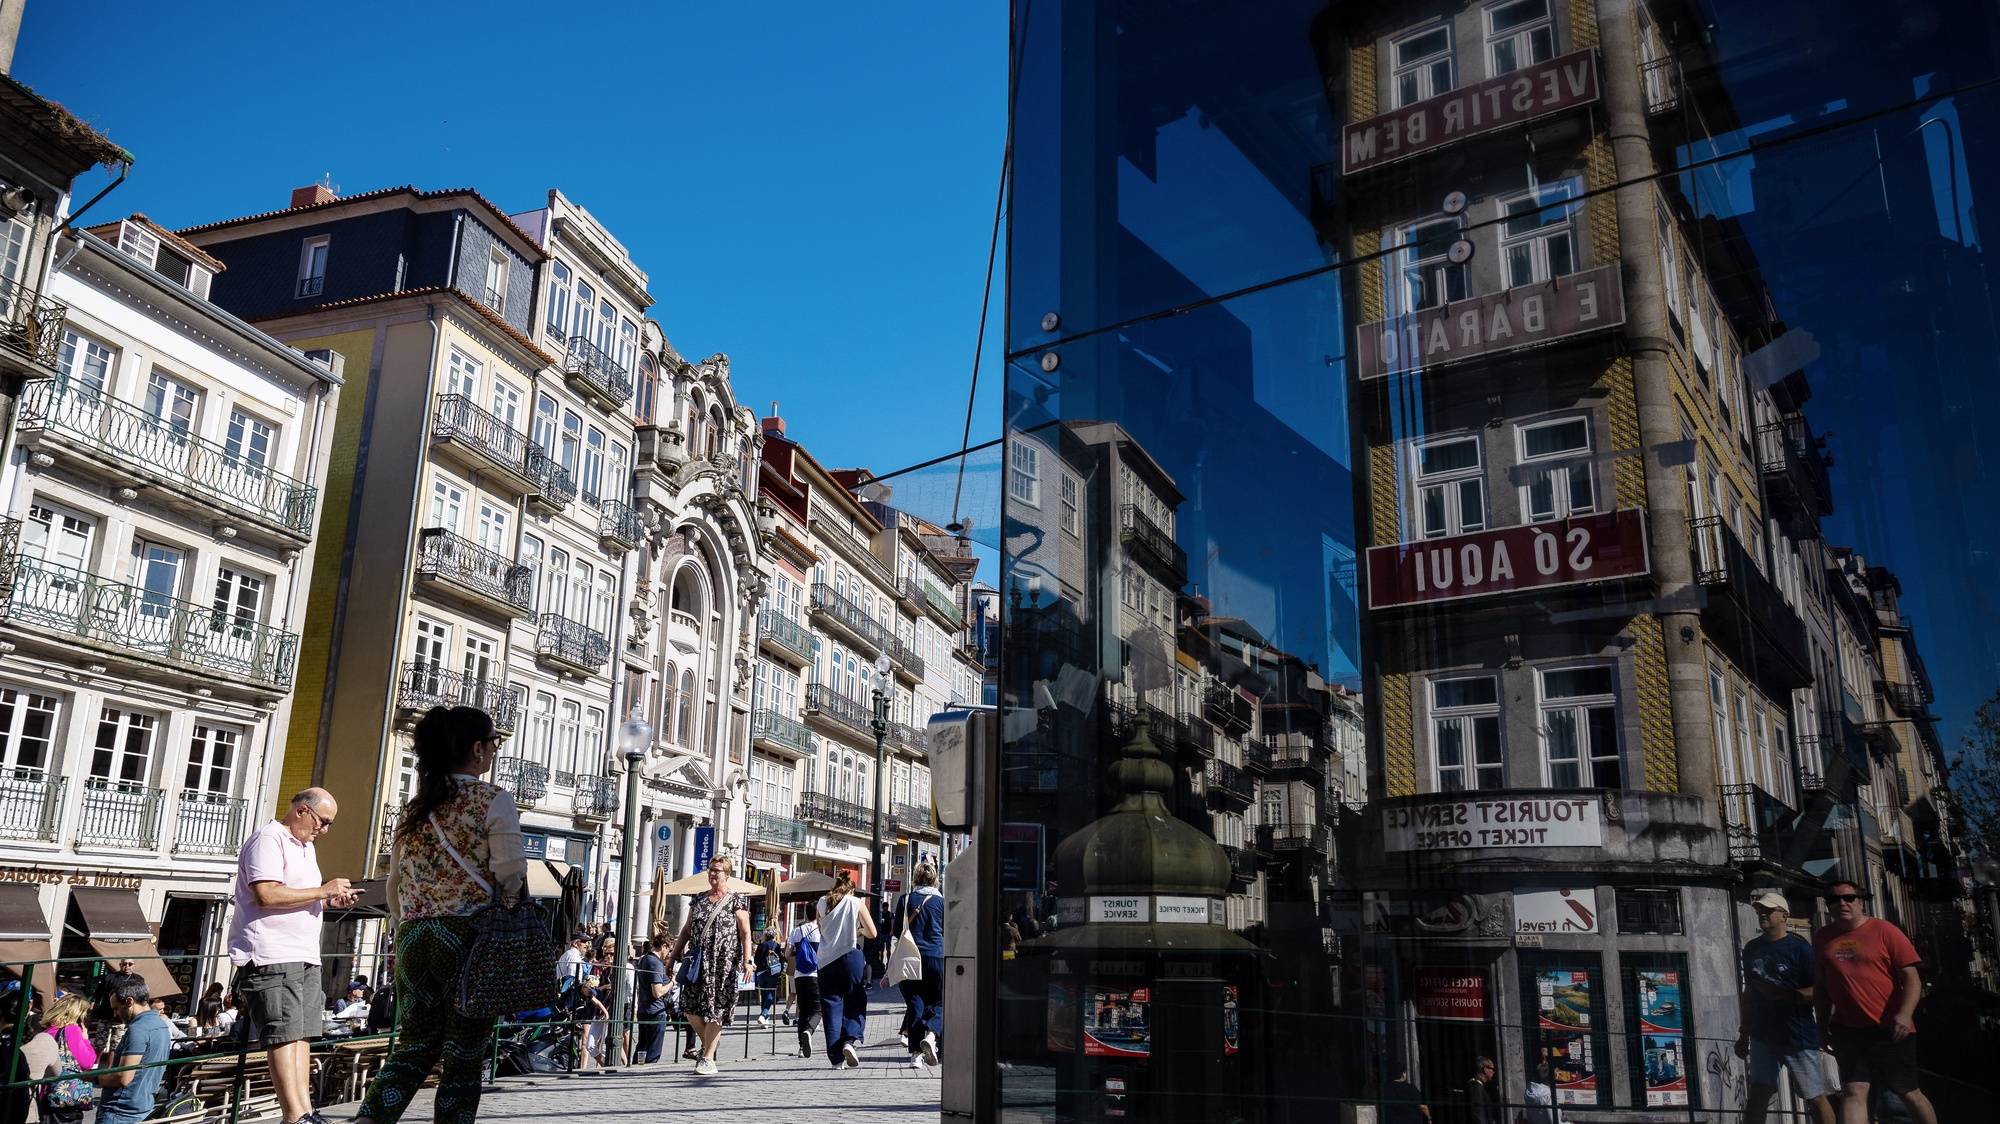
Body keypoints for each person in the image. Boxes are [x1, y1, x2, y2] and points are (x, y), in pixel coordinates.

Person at [352, 706, 526, 1124]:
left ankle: (370, 1118)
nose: (495, 751)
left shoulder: (417, 807)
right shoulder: (491, 800)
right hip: (468, 939)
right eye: (494, 743)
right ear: (477, 748)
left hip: (414, 935)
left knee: (413, 1044)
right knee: (464, 1051)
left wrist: (403, 924)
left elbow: (394, 881)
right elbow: (510, 871)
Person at [228, 786, 357, 1124]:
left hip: (303, 952)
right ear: (301, 810)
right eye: (322, 821)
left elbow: (299, 896)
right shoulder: (268, 840)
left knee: (301, 1034)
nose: (324, 830)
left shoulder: (305, 847)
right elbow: (267, 895)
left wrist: (329, 901)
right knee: (284, 1034)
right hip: (271, 952)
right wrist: (322, 890)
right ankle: (293, 1115)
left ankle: (305, 1111)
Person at [1813, 880, 1937, 1124]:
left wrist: (1905, 1013)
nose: (1842, 903)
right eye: (1834, 899)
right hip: (1847, 1029)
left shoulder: (1884, 930)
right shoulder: (1822, 938)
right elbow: (1822, 986)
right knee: (1853, 1091)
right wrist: (1821, 1026)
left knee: (1908, 1091)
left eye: (1848, 898)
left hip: (1890, 1028)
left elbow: (1911, 977)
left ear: (1860, 902)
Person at [1736, 890, 1835, 1124]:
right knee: (1759, 1093)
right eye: (1761, 910)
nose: (1763, 914)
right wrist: (1744, 1034)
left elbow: (1819, 991)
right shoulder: (1752, 949)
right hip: (1763, 1034)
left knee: (1814, 1097)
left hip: (1797, 1034)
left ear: (1784, 915)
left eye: (1769, 910)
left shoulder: (1800, 948)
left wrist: (1785, 995)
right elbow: (1749, 992)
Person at [667, 855, 752, 1076]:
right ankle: (710, 1044)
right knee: (689, 1008)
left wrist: (747, 960)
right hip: (698, 961)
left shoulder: (736, 901)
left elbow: (745, 933)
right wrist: (673, 956)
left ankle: (706, 1058)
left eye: (717, 870)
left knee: (716, 1010)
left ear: (727, 874)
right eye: (711, 870)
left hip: (723, 964)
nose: (713, 874)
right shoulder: (699, 899)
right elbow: (686, 930)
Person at [815, 869, 878, 1069]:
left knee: (831, 1006)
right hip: (850, 956)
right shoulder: (856, 902)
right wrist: (857, 929)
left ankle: (836, 1059)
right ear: (852, 889)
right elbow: (872, 933)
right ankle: (849, 1041)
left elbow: (820, 928)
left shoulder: (822, 902)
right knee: (856, 1000)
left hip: (825, 960)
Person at [92, 972, 172, 1124]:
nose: (115, 1013)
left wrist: (93, 1077)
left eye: (116, 1008)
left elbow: (123, 1077)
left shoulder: (138, 1029)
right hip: (142, 1107)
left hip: (120, 1111)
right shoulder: (161, 1025)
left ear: (129, 1001)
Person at [898, 862, 945, 1068]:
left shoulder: (905, 900)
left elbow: (895, 931)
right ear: (935, 879)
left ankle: (916, 1055)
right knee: (940, 1001)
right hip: (936, 956)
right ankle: (933, 1036)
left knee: (915, 1003)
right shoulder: (942, 903)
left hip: (910, 957)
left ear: (914, 878)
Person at [787, 915, 823, 1059]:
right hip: (815, 974)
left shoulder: (796, 931)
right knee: (817, 1010)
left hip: (799, 975)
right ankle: (809, 1030)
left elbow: (787, 953)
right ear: (817, 914)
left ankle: (801, 1048)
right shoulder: (821, 931)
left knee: (803, 1011)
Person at [633, 936, 670, 1064]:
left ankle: (635, 1070)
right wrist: (672, 983)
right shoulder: (655, 963)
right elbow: (657, 992)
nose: (668, 954)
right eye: (668, 950)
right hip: (655, 1011)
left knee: (642, 1046)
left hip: (644, 1009)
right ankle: (642, 1074)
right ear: (664, 946)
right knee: (652, 1050)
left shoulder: (643, 959)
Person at [752, 929, 783, 1026]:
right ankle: (763, 1014)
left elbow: (756, 959)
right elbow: (781, 959)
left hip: (761, 973)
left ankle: (765, 1020)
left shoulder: (761, 945)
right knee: (770, 994)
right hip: (772, 972)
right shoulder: (777, 946)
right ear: (775, 936)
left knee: (764, 994)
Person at [1461, 1056, 1499, 1124]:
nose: (1494, 1072)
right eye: (1492, 1068)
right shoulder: (1475, 1087)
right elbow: (1477, 1114)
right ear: (1484, 1069)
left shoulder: (1479, 1086)